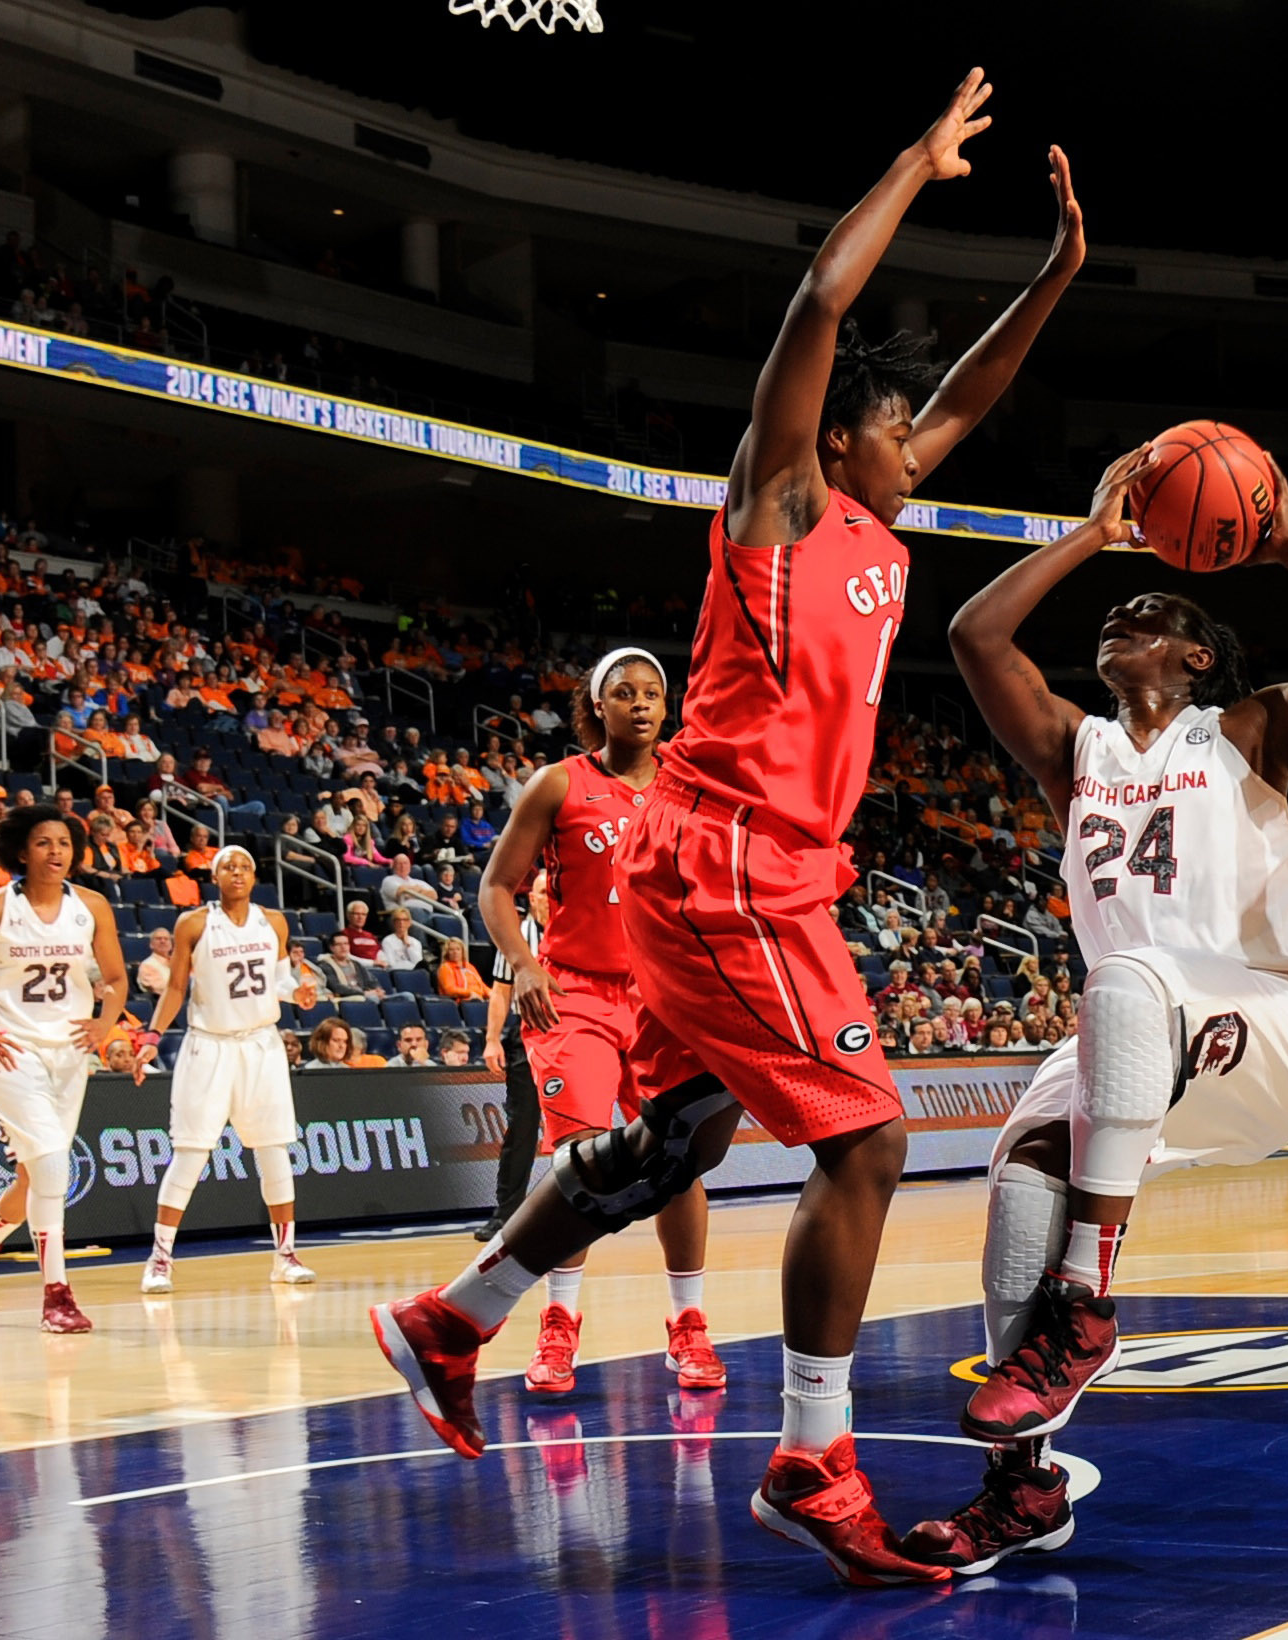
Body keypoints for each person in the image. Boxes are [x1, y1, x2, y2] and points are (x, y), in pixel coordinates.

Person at [371, 71, 1088, 1587]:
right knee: (873, 1143)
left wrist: (1053, 278)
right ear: (849, 441)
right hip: (729, 866)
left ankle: (455, 1321)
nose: (921, 446)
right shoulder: (773, 506)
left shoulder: (879, 529)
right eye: (898, 432)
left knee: (678, 1131)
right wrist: (914, 161)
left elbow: (967, 399)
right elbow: (820, 300)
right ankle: (809, 1460)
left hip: (743, 873)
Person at [903, 435, 1288, 1574]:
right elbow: (973, 635)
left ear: (1194, 655)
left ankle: (1083, 1303)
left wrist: (1281, 543)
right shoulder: (1069, 748)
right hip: (1135, 1035)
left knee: (1126, 976)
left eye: (1144, 609)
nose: (1114, 617)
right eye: (1111, 609)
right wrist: (1091, 531)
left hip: (1273, 1028)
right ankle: (1018, 1485)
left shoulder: (1250, 730)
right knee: (1020, 1168)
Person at [461, 646, 729, 1397]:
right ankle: (558, 1326)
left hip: (668, 999)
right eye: (624, 692)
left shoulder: (693, 784)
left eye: (652, 692)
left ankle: (688, 1324)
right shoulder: (559, 783)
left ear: (666, 707)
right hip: (573, 992)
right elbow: (496, 887)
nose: (640, 703)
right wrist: (524, 963)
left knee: (680, 1162)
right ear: (597, 704)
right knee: (578, 1162)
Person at [136, 847, 321, 1293]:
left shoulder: (272, 921)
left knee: (275, 1150)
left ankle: (285, 1256)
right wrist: (151, 1036)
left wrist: (300, 994)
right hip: (210, 1046)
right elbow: (177, 987)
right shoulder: (195, 923)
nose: (237, 873)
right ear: (214, 876)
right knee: (191, 1153)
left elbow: (279, 983)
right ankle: (159, 1259)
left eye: (244, 867)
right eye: (228, 867)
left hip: (261, 1045)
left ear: (254, 876)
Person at [0, 806, 134, 1331]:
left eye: (64, 843)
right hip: (12, 1051)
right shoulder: (1, 907)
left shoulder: (92, 906)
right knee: (53, 1164)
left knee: (34, 1173)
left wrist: (104, 1025)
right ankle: (57, 1295)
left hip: (71, 1052)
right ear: (21, 852)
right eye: (43, 842)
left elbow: (117, 978)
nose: (56, 852)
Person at [475, 880, 546, 1242]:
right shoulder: (517, 937)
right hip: (528, 1033)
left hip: (576, 1030)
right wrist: (491, 1040)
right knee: (522, 1125)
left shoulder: (576, 928)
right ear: (532, 898)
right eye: (543, 894)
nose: (549, 899)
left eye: (554, 892)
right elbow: (500, 992)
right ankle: (506, 1214)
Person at [136, 926, 175, 995]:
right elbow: (160, 988)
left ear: (171, 945)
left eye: (166, 939)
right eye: (158, 939)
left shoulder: (178, 962)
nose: (163, 941)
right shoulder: (147, 965)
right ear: (151, 944)